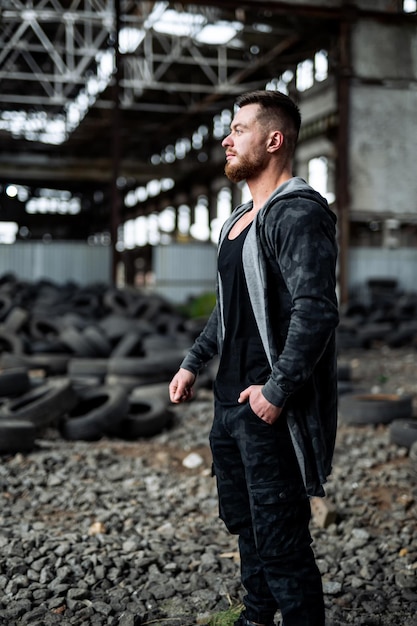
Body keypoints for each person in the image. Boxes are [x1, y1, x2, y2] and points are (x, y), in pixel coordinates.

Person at [169, 89, 339, 626]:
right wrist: (193, 362)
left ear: (274, 140)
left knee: (281, 536)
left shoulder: (297, 214)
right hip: (229, 404)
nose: (227, 138)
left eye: (239, 129)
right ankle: (257, 615)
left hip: (268, 409)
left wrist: (276, 391)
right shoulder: (239, 220)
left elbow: (317, 311)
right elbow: (228, 309)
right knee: (244, 524)